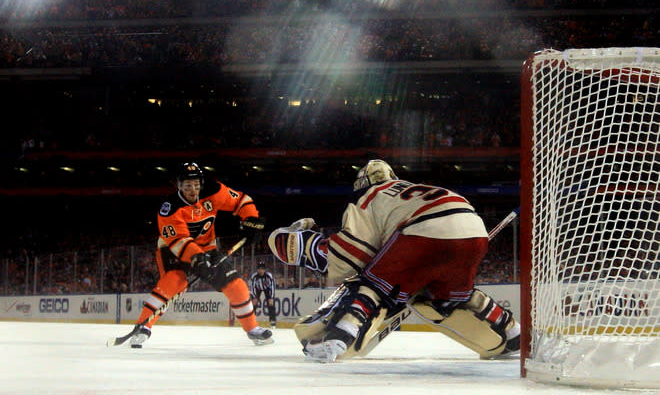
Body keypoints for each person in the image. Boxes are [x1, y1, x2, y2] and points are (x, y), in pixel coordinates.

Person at [267, 159, 520, 362]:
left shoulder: (371, 197)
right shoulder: (413, 188)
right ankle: (513, 331)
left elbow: (350, 254)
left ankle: (340, 336)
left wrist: (305, 245)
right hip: (473, 231)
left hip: (424, 231)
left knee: (374, 284)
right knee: (452, 298)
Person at [130, 162, 273, 348]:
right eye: (188, 185)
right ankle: (143, 327)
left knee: (236, 285)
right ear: (179, 185)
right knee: (174, 281)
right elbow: (179, 241)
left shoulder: (214, 190)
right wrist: (197, 258)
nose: (193, 190)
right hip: (174, 250)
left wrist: (251, 219)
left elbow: (241, 201)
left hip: (207, 248)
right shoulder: (169, 208)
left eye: (196, 184)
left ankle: (253, 329)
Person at [248, 262, 277, 328]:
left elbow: (272, 286)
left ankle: (273, 321)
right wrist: (254, 296)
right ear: (257, 270)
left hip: (267, 288)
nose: (261, 271)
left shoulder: (269, 276)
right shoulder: (254, 276)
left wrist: (271, 297)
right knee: (254, 304)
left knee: (271, 304)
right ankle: (250, 321)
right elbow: (252, 287)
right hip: (257, 289)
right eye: (259, 269)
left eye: (262, 269)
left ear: (265, 270)